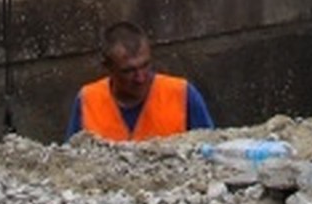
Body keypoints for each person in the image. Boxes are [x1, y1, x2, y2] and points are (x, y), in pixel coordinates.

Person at [65, 21, 214, 142]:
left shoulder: (182, 94)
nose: (140, 78)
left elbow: (211, 149)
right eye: (128, 71)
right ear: (108, 68)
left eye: (145, 65)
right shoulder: (88, 100)